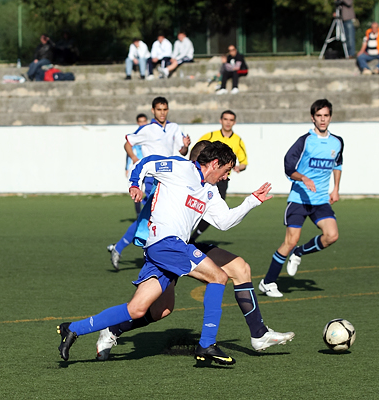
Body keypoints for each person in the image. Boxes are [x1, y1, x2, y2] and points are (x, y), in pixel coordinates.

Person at [57, 141, 274, 365]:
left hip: (167, 249)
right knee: (218, 276)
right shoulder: (180, 168)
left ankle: (73, 329)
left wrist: (252, 201)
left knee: (140, 309)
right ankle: (207, 344)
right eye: (226, 171)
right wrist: (135, 184)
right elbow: (146, 163)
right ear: (215, 163)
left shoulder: (210, 192)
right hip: (165, 243)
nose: (226, 177)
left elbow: (225, 222)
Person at [259, 99, 343, 298]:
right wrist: (303, 178)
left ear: (330, 117)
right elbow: (289, 166)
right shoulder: (304, 141)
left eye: (326, 116)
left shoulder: (337, 142)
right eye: (319, 116)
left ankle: (300, 253)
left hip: (321, 200)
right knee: (290, 240)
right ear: (312, 117)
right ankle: (268, 282)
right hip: (299, 198)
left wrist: (336, 189)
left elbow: (338, 164)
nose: (322, 120)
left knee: (332, 235)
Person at [107, 97, 191, 270]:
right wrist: (134, 158)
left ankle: (123, 248)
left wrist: (185, 146)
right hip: (152, 178)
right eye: (159, 109)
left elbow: (182, 152)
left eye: (165, 109)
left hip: (170, 178)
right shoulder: (147, 129)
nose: (162, 112)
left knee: (152, 216)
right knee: (151, 216)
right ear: (153, 110)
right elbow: (128, 144)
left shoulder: (174, 127)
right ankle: (144, 251)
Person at [190, 110, 248, 242]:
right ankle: (187, 235)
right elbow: (196, 152)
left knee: (214, 209)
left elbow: (244, 162)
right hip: (204, 176)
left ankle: (193, 237)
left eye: (231, 120)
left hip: (221, 180)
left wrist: (238, 167)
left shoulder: (237, 140)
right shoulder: (210, 136)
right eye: (226, 119)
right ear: (221, 120)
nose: (228, 122)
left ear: (234, 122)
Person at [126, 114, 149, 216]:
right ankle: (139, 215)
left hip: (149, 168)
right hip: (138, 168)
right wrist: (127, 167)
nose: (142, 124)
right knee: (136, 191)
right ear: (137, 123)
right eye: (140, 122)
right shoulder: (135, 136)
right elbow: (128, 151)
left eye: (144, 121)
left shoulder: (150, 135)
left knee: (150, 191)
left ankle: (149, 214)